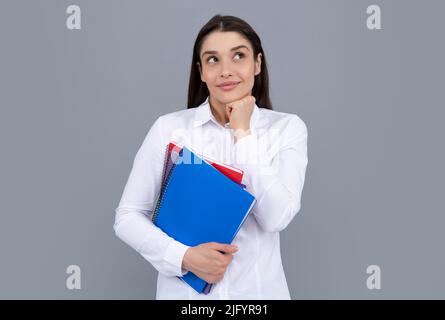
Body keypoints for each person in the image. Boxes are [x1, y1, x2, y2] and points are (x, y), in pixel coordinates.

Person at [114, 14, 308, 300]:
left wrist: (243, 133)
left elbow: (275, 217)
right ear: (201, 71)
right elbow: (127, 217)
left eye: (238, 56)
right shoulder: (169, 129)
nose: (226, 71)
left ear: (257, 64)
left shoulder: (287, 128)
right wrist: (184, 257)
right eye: (213, 60)